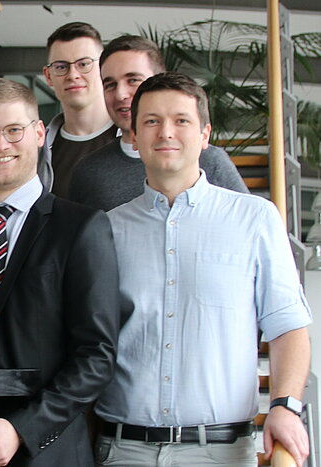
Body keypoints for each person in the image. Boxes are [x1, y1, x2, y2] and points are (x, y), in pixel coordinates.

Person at [95, 72, 312, 467]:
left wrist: (285, 406)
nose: (166, 132)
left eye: (181, 120)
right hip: (123, 451)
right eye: (151, 121)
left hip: (222, 453)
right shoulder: (106, 229)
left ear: (205, 134)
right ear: (135, 135)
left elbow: (288, 327)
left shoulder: (254, 219)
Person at [0, 78, 122, 466]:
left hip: (43, 451)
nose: (0, 146)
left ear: (39, 133)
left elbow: (96, 355)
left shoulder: (81, 228)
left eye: (13, 131)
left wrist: (22, 429)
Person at [68, 35, 248, 211]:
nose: (121, 94)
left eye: (133, 80)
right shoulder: (89, 172)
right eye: (110, 85)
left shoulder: (210, 160)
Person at [38, 22, 117, 197]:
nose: (73, 75)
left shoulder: (133, 140)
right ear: (48, 76)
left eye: (83, 64)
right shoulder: (38, 150)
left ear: (103, 68)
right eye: (61, 67)